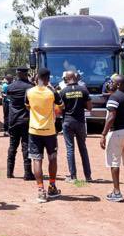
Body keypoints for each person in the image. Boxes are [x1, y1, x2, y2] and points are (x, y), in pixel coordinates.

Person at [26, 67, 63, 203]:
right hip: (50, 131)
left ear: (37, 78)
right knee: (52, 158)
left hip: (34, 131)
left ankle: (41, 191)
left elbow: (27, 106)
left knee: (37, 160)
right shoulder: (52, 92)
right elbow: (61, 106)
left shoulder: (29, 92)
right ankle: (52, 187)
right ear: (48, 78)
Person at [101, 75, 124, 202]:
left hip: (116, 132)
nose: (111, 84)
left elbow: (111, 116)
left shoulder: (114, 97)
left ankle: (116, 192)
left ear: (119, 85)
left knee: (114, 162)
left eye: (113, 82)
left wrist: (103, 134)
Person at [59, 71, 92, 182]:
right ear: (75, 78)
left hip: (67, 122)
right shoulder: (83, 90)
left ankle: (73, 176)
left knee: (70, 149)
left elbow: (59, 109)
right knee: (83, 148)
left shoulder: (63, 92)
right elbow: (90, 107)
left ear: (66, 79)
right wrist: (81, 105)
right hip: (80, 122)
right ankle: (88, 176)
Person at [5, 66, 33, 180]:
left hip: (13, 119)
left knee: (12, 146)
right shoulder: (30, 87)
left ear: (17, 74)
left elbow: (8, 98)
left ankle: (9, 172)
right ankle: (27, 173)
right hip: (26, 119)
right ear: (26, 74)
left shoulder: (10, 87)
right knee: (26, 146)